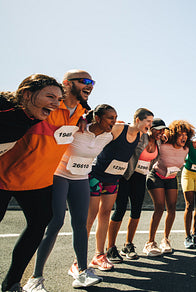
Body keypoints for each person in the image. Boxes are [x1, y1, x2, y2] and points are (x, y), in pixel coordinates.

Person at [0, 70, 90, 292]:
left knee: (41, 221)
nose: (90, 85)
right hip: (4, 176)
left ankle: (12, 283)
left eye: (92, 82)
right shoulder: (21, 109)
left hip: (38, 181)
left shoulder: (80, 112)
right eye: (85, 81)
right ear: (68, 83)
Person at [24, 105, 117, 292]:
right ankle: (35, 279)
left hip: (81, 179)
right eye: (109, 118)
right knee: (55, 223)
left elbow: (129, 130)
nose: (113, 122)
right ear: (97, 118)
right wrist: (80, 118)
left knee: (81, 224)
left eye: (115, 118)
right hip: (59, 176)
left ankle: (82, 271)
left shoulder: (108, 136)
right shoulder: (77, 129)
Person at [86, 108, 153, 271]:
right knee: (90, 216)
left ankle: (99, 255)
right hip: (97, 175)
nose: (150, 125)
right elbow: (97, 135)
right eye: (148, 121)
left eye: (152, 122)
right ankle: (78, 260)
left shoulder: (140, 136)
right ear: (137, 120)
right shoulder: (119, 128)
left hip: (113, 178)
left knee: (105, 214)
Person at [105, 118, 165, 262]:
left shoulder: (159, 142)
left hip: (140, 178)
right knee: (120, 209)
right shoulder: (140, 137)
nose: (161, 132)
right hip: (126, 175)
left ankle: (128, 245)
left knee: (136, 210)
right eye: (158, 129)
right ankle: (110, 248)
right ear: (150, 128)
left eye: (163, 130)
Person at [144, 120, 195, 255]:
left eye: (186, 134)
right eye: (180, 134)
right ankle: (150, 242)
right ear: (174, 134)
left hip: (171, 178)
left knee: (172, 208)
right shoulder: (164, 144)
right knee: (160, 207)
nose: (183, 137)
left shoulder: (186, 148)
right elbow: (154, 136)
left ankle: (165, 240)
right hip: (156, 176)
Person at [0, 74, 62, 156]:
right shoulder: (4, 105)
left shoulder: (34, 116)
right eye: (50, 97)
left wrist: (82, 119)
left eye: (59, 99)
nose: (56, 104)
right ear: (27, 94)